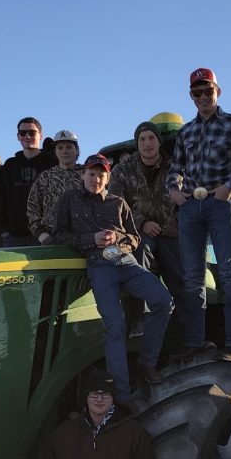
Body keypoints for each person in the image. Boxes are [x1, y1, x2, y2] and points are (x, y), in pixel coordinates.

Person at [53, 154, 173, 402]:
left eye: (101, 175)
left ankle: (147, 363)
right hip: (99, 266)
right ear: (83, 175)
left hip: (125, 262)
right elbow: (59, 235)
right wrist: (91, 240)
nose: (96, 179)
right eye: (92, 174)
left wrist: (118, 240)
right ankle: (121, 393)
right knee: (115, 324)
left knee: (163, 299)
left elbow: (134, 238)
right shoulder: (69, 200)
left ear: (108, 178)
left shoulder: (118, 202)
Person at [166, 68, 231, 362]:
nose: (203, 97)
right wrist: (174, 191)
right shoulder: (186, 132)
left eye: (208, 91)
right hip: (190, 208)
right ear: (191, 97)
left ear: (217, 92)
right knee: (193, 277)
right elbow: (175, 169)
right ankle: (195, 342)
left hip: (220, 203)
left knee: (228, 271)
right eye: (197, 93)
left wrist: (230, 186)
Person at [107, 121, 185, 330]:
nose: (147, 144)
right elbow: (115, 204)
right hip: (139, 232)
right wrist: (142, 222)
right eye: (142, 139)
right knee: (137, 257)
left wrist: (171, 225)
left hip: (171, 232)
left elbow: (187, 202)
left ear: (159, 142)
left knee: (183, 277)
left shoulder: (176, 168)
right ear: (137, 143)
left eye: (151, 138)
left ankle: (188, 332)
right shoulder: (122, 170)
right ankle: (137, 321)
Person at [0, 117, 56, 246]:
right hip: (14, 236)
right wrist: (4, 231)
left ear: (40, 135)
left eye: (32, 133)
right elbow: (1, 199)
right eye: (23, 133)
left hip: (45, 234)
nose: (27, 136)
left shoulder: (52, 163)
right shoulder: (10, 165)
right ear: (18, 136)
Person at [28, 129, 83, 244]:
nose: (65, 151)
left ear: (77, 150)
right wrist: (40, 233)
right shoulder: (45, 177)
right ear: (55, 152)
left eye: (69, 147)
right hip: (50, 237)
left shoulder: (88, 175)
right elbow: (32, 208)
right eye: (60, 148)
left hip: (82, 237)